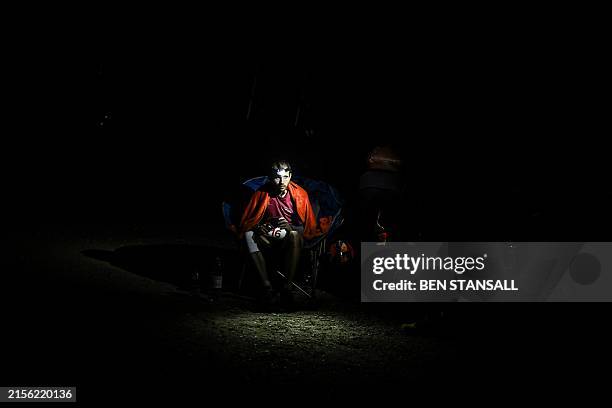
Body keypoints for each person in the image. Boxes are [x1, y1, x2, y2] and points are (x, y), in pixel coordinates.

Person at [239, 160, 330, 307]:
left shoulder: (300, 194)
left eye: (285, 177)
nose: (281, 181)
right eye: (277, 177)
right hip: (268, 238)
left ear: (290, 176)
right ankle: (266, 286)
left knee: (294, 235)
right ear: (270, 177)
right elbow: (251, 219)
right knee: (248, 235)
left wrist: (290, 227)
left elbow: (307, 228)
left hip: (290, 238)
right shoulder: (262, 194)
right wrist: (258, 227)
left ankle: (287, 287)